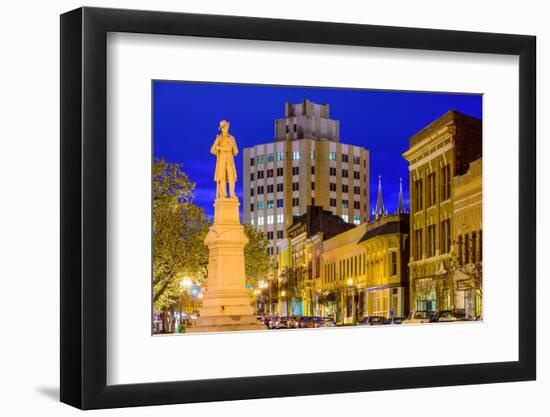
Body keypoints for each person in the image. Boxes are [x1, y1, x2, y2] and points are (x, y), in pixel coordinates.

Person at [210, 120, 238, 198]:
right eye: (224, 127)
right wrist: (216, 144)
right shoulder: (219, 139)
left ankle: (232, 194)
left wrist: (220, 148)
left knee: (231, 176)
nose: (226, 129)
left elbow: (232, 148)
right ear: (221, 129)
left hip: (229, 159)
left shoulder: (231, 138)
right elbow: (212, 150)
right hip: (221, 160)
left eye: (226, 127)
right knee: (221, 177)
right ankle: (223, 194)